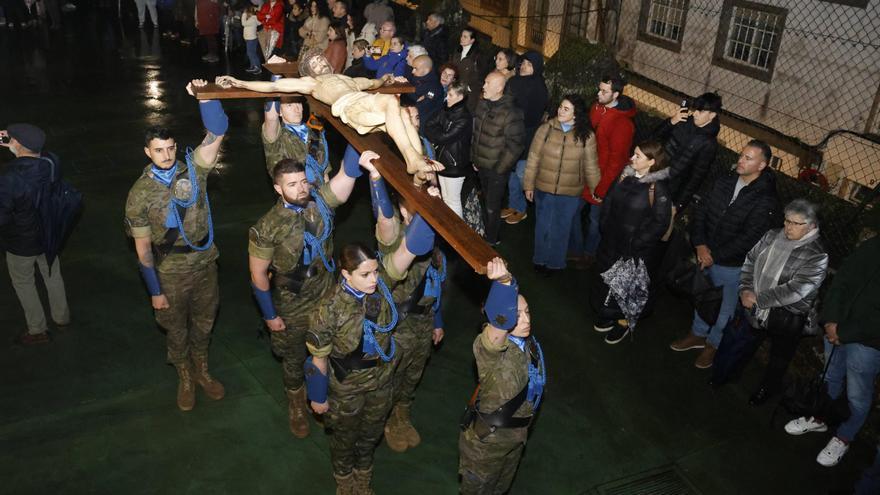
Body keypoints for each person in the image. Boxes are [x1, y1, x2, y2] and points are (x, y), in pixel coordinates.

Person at [303, 177, 436, 493]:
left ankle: (363, 477)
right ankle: (344, 480)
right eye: (365, 274)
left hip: (381, 384)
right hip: (346, 389)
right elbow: (318, 359)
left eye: (376, 271)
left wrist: (430, 209)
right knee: (345, 439)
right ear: (345, 274)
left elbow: (408, 249)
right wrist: (318, 396)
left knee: (370, 436)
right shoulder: (328, 310)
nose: (374, 279)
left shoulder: (384, 287)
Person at [248, 148, 370, 438]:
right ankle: (296, 403)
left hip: (327, 296)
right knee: (292, 358)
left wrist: (356, 139)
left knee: (330, 350)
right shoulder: (267, 226)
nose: (301, 188)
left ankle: (322, 396)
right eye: (292, 184)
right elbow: (258, 274)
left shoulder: (320, 204)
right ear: (278, 188)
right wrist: (270, 315)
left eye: (303, 181)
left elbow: (346, 175)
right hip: (292, 303)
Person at [124, 79, 227, 411]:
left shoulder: (194, 170)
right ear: (147, 152)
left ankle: (202, 369)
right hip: (169, 272)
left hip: (204, 262)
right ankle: (184, 374)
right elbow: (142, 251)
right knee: (176, 329)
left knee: (205, 321)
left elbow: (217, 133)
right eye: (158, 149)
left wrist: (206, 97)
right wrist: (154, 290)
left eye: (170, 148)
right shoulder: (139, 194)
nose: (166, 155)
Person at [217, 50, 443, 179]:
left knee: (403, 114)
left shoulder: (349, 79)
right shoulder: (312, 83)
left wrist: (389, 79)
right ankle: (412, 159)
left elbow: (375, 82)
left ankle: (419, 165)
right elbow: (273, 88)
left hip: (365, 103)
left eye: (321, 60)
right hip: (350, 107)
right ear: (309, 71)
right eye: (314, 63)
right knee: (389, 102)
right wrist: (240, 82)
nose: (320, 64)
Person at [670, 140, 779, 368]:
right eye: (741, 155)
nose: (741, 160)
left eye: (748, 158)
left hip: (731, 264)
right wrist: (699, 244)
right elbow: (701, 211)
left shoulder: (765, 198)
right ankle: (698, 334)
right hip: (705, 254)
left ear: (762, 165)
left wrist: (714, 255)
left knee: (725, 308)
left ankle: (714, 344)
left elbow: (750, 237)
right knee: (703, 296)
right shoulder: (725, 180)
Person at [783, 233, 880, 468]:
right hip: (835, 328)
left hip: (868, 342)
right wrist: (831, 320)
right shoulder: (873, 245)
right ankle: (819, 416)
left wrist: (844, 333)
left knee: (858, 394)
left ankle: (844, 436)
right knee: (829, 376)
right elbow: (842, 280)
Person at [367, 176, 446, 453]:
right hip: (397, 324)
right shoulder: (394, 240)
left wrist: (437, 321)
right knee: (391, 375)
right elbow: (383, 214)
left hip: (423, 321)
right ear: (404, 211)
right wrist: (375, 179)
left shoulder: (435, 243)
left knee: (414, 373)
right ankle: (388, 419)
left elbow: (436, 283)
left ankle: (402, 414)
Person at [723, 199, 828, 405]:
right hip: (753, 303)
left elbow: (797, 289)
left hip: (787, 315)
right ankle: (730, 372)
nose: (787, 227)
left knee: (779, 358)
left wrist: (757, 299)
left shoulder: (817, 255)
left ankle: (766, 389)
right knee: (746, 342)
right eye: (787, 220)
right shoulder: (771, 235)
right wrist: (745, 289)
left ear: (811, 226)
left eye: (795, 223)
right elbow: (750, 261)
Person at [459, 257, 546, 495]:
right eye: (517, 316)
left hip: (515, 438)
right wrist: (505, 283)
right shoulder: (490, 349)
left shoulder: (529, 345)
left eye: (527, 312)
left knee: (500, 488)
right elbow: (498, 328)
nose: (526, 320)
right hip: (488, 444)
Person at [592, 141, 671, 343]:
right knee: (608, 281)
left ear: (651, 162)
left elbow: (660, 223)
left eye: (638, 156)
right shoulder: (624, 176)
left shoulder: (658, 188)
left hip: (634, 250)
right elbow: (609, 201)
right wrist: (604, 225)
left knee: (626, 288)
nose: (632, 158)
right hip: (611, 242)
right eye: (633, 154)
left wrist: (637, 243)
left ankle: (623, 323)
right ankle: (609, 314)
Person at [0, 123, 71, 345]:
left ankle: (37, 329)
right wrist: (14, 142)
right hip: (49, 234)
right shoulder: (52, 162)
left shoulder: (10, 177)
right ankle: (62, 317)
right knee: (52, 273)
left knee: (24, 282)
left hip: (21, 242)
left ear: (17, 144)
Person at [523, 95, 600, 275]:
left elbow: (591, 166)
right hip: (544, 188)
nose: (560, 110)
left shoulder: (586, 136)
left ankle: (555, 264)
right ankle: (539, 260)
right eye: (560, 106)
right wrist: (528, 185)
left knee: (561, 229)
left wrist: (596, 189)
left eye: (566, 108)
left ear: (576, 114)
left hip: (570, 193)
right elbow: (533, 158)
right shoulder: (545, 129)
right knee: (542, 226)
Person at [571, 74, 636, 267]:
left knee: (594, 220)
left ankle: (589, 254)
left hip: (601, 179)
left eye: (604, 91)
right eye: (599, 89)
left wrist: (602, 189)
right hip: (586, 172)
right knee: (573, 213)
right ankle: (576, 249)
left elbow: (616, 162)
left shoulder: (622, 124)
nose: (598, 93)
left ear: (615, 94)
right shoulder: (597, 108)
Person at [470, 71, 525, 246]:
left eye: (487, 83)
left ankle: (491, 240)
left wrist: (500, 169)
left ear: (499, 88)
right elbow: (476, 134)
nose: (483, 86)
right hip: (481, 165)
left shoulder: (511, 113)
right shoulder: (482, 104)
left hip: (496, 170)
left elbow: (516, 145)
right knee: (486, 201)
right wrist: (475, 159)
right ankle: (489, 232)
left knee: (492, 206)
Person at [654, 92, 722, 214]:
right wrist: (671, 122)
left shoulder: (709, 144)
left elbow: (695, 178)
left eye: (700, 111)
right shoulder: (683, 121)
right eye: (695, 109)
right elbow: (654, 139)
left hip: (669, 190)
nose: (695, 113)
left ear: (712, 115)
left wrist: (678, 205)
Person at [503, 51, 548, 226]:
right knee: (511, 173)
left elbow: (532, 115)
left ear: (536, 68)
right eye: (523, 63)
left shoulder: (539, 87)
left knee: (522, 173)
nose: (524, 67)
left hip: (526, 136)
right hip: (510, 134)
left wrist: (512, 114)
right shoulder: (513, 81)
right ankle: (515, 205)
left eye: (529, 65)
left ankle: (526, 209)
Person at [423, 81, 472, 218]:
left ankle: (457, 234)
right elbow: (427, 125)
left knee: (453, 201)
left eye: (450, 95)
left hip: (455, 164)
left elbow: (444, 137)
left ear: (460, 97)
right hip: (442, 161)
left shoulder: (464, 118)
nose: (447, 98)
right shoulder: (446, 109)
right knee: (446, 200)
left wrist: (437, 133)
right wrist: (439, 133)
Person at [261, 94, 326, 183]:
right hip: (293, 194)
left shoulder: (315, 131)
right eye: (289, 105)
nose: (296, 109)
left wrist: (324, 196)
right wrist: (276, 83)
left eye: (298, 103)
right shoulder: (277, 138)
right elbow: (271, 118)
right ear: (279, 111)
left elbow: (324, 172)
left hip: (319, 193)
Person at [453, 27, 490, 112]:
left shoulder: (479, 56)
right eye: (462, 36)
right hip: (455, 90)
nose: (461, 38)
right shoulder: (457, 52)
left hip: (469, 95)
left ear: (472, 40)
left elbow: (482, 75)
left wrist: (470, 88)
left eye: (465, 37)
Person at [401, 54, 443, 124]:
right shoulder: (417, 78)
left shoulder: (435, 87)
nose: (412, 71)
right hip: (410, 116)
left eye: (416, 68)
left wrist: (409, 90)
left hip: (424, 123)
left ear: (426, 70)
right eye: (412, 68)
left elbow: (423, 105)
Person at [241, 4, 261, 73]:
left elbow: (243, 23)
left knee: (251, 53)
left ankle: (257, 67)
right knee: (251, 53)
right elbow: (259, 23)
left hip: (251, 39)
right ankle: (253, 66)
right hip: (251, 39)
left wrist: (244, 14)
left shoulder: (253, 18)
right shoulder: (253, 18)